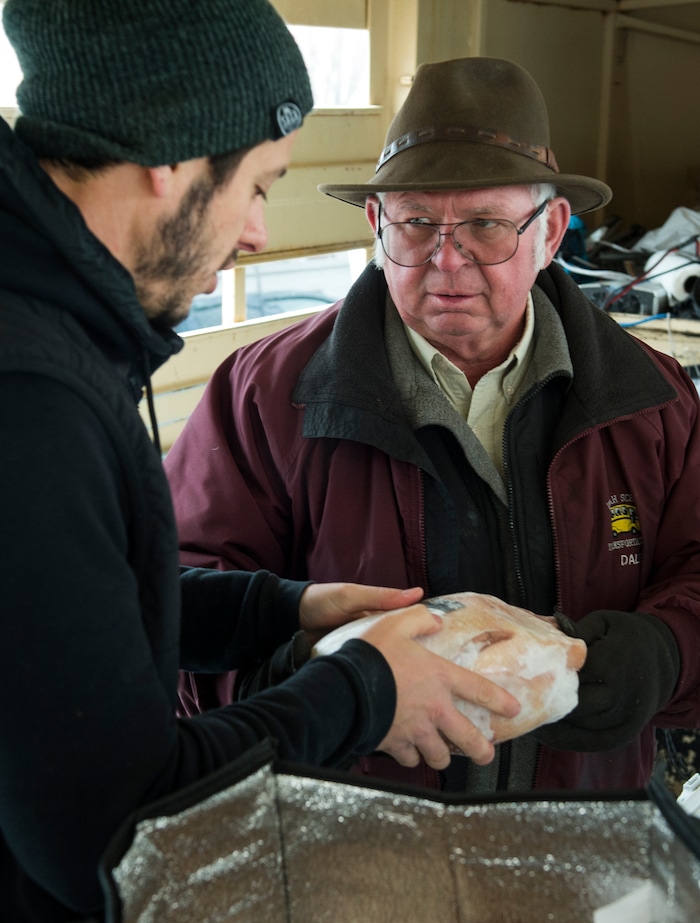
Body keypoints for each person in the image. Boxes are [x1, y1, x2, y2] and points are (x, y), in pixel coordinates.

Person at [0, 5, 522, 919]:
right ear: (168, 155)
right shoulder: (32, 401)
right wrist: (366, 687)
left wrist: (282, 607)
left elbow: (77, 616)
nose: (256, 234)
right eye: (256, 184)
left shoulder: (59, 328)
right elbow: (125, 833)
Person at [166, 55, 700, 795]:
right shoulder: (265, 397)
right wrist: (311, 676)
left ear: (551, 231)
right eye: (416, 223)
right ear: (376, 222)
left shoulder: (653, 402)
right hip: (345, 842)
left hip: (579, 836)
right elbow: (176, 612)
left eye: (485, 225)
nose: (447, 262)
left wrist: (665, 651)